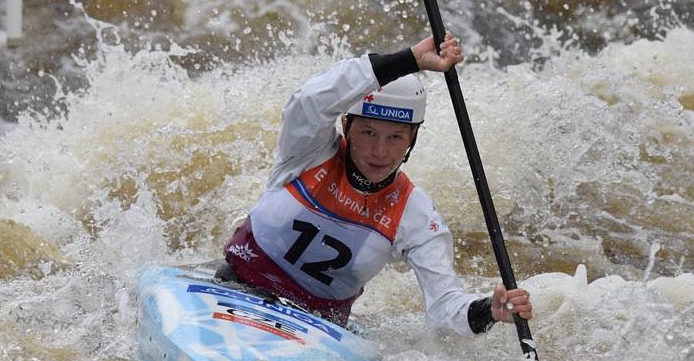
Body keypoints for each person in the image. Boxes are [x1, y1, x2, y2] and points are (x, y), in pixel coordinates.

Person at [220, 32, 532, 337]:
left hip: (317, 330)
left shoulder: (415, 215)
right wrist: (409, 60)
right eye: (368, 133)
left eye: (395, 137)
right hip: (234, 287)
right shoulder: (307, 152)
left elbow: (444, 310)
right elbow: (310, 100)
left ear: (413, 139)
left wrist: (488, 311)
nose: (380, 151)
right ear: (346, 126)